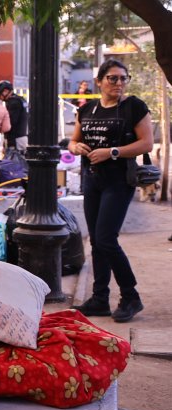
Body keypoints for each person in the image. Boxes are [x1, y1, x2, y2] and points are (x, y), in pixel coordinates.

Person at [69, 59, 154, 323]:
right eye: (113, 78)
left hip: (119, 180)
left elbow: (146, 143)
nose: (119, 83)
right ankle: (99, 298)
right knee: (96, 241)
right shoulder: (88, 109)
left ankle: (130, 296)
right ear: (99, 81)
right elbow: (74, 140)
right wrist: (76, 148)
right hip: (92, 180)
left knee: (106, 239)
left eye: (123, 78)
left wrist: (112, 152)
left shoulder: (134, 107)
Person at [0, 80, 28, 157]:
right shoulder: (20, 99)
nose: (0, 98)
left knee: (14, 164)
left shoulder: (13, 102)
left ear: (5, 91)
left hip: (15, 139)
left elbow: (11, 122)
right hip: (21, 136)